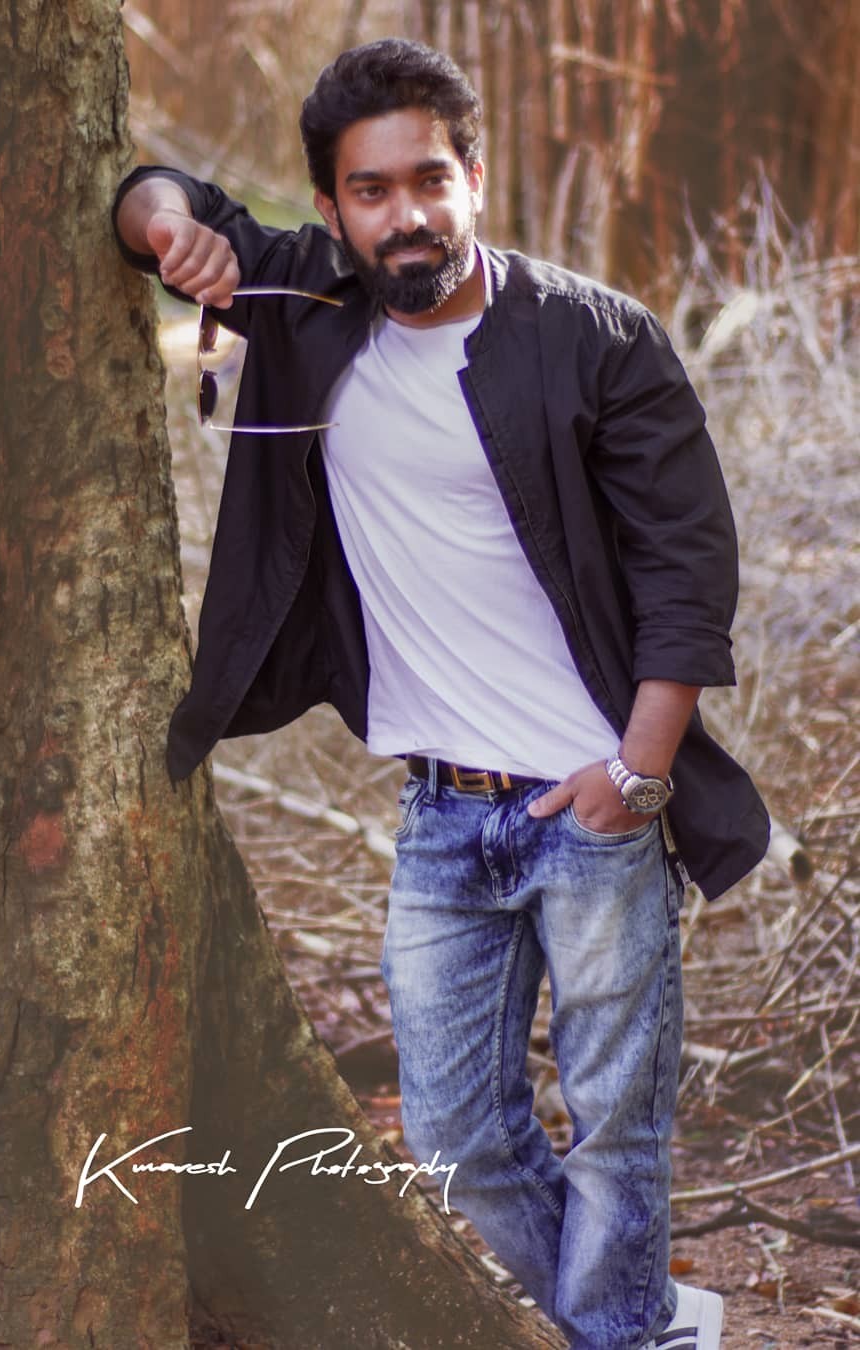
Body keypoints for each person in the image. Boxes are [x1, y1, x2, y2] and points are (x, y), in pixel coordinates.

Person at [112, 37, 768, 1350]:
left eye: (429, 180)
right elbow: (147, 194)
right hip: (441, 815)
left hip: (596, 805)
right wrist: (171, 228)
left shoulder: (594, 338)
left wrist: (637, 775)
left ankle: (627, 1335)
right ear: (334, 207)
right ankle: (645, 1318)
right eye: (371, 190)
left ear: (475, 176)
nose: (405, 214)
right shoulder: (305, 301)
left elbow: (689, 570)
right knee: (459, 1133)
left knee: (616, 1125)